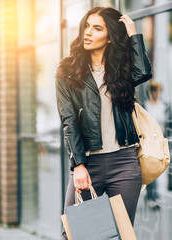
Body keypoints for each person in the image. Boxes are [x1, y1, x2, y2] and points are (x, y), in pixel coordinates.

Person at [56, 7, 152, 239]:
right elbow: (68, 120)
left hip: (125, 164)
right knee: (75, 234)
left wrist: (133, 36)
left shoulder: (120, 69)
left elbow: (143, 73)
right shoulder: (67, 71)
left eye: (97, 28)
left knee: (120, 234)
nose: (88, 32)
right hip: (88, 165)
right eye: (87, 26)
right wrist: (78, 165)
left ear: (109, 37)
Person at [144, 81, 168, 209]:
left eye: (157, 90)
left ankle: (156, 195)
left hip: (160, 141)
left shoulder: (163, 106)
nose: (155, 93)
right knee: (151, 169)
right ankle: (152, 197)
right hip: (149, 142)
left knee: (159, 169)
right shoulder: (146, 106)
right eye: (153, 90)